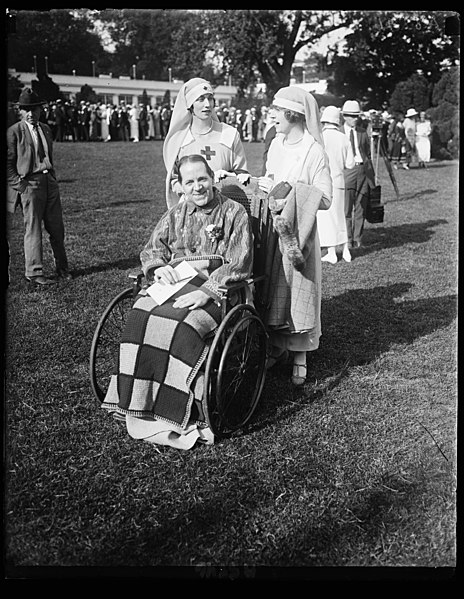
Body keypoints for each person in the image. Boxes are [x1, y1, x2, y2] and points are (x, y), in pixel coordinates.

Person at [101, 153, 254, 449]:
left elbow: (239, 262)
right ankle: (138, 398)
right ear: (180, 186)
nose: (197, 187)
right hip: (176, 283)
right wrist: (159, 269)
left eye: (202, 179)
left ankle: (177, 407)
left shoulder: (234, 212)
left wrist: (207, 291)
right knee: (139, 315)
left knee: (182, 326)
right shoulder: (176, 213)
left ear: (212, 179)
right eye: (190, 182)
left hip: (220, 289)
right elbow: (152, 248)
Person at [258, 86, 332, 386]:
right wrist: (266, 186)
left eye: (276, 110)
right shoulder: (276, 144)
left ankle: (300, 355)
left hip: (299, 236)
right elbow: (273, 181)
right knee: (275, 288)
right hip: (273, 229)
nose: (271, 115)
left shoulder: (313, 150)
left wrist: (292, 194)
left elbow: (325, 197)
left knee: (300, 289)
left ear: (293, 114)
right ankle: (276, 346)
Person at [6, 88, 72, 285]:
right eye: (26, 110)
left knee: (57, 228)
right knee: (33, 228)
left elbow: (48, 156)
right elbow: (8, 164)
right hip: (30, 184)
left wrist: (51, 177)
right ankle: (34, 272)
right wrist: (20, 185)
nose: (31, 114)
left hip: (48, 182)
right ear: (20, 111)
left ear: (41, 110)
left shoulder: (45, 129)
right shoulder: (14, 131)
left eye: (34, 109)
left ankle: (63, 268)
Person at [163, 77, 250, 209]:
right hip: (190, 208)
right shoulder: (180, 139)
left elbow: (241, 174)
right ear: (190, 105)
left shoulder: (229, 134)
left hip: (226, 207)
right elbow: (175, 180)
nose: (207, 104)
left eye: (210, 98)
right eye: (200, 99)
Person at [317, 106, 355, 264]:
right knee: (340, 215)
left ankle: (332, 252)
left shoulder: (320, 138)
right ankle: (345, 249)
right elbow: (350, 164)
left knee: (327, 218)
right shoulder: (344, 138)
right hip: (339, 181)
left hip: (325, 182)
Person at [341, 100, 376, 249]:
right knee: (346, 208)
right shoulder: (338, 133)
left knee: (361, 206)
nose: (356, 119)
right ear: (345, 116)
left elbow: (367, 153)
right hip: (347, 172)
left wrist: (371, 175)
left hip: (363, 170)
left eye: (357, 116)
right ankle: (347, 239)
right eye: (352, 116)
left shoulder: (362, 132)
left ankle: (358, 239)